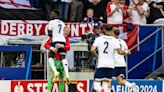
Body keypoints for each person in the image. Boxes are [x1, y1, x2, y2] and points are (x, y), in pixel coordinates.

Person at [91, 25, 130, 92]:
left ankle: (101, 90)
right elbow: (120, 52)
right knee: (106, 83)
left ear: (104, 30)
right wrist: (126, 53)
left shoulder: (99, 39)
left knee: (96, 85)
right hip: (111, 65)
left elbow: (92, 50)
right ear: (112, 31)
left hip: (101, 63)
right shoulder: (115, 40)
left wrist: (96, 56)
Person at [44, 26, 71, 92]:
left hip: (59, 61)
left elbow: (68, 47)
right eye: (66, 30)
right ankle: (49, 90)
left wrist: (61, 46)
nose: (67, 32)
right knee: (53, 77)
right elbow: (46, 45)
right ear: (62, 30)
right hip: (56, 60)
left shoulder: (66, 39)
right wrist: (52, 48)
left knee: (59, 79)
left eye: (68, 31)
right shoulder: (54, 37)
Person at [112, 27, 138, 92]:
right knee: (120, 81)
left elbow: (120, 52)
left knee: (106, 80)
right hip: (121, 64)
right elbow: (129, 52)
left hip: (113, 64)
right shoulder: (122, 41)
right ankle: (131, 85)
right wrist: (125, 52)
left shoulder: (111, 41)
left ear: (112, 32)